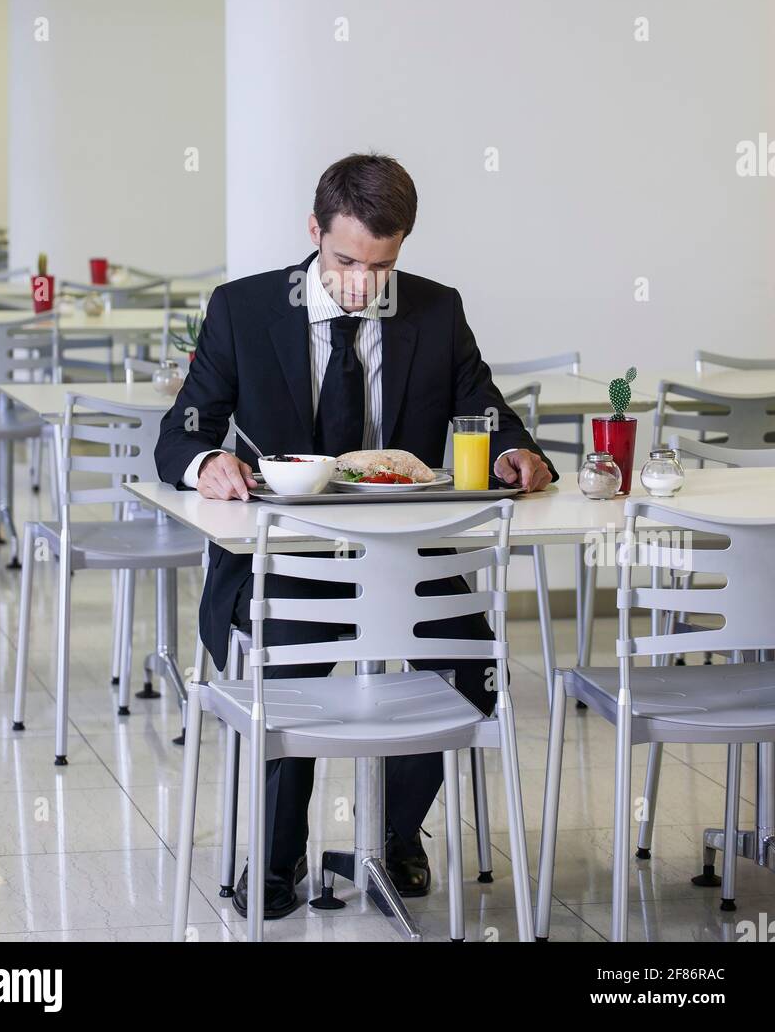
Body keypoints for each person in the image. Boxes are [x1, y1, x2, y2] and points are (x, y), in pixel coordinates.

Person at [155, 153, 556, 919]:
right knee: (292, 674)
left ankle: (394, 833)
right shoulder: (242, 309)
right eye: (345, 261)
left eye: (384, 264)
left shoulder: (436, 311)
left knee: (473, 668)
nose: (363, 284)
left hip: (405, 557)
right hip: (286, 559)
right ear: (314, 231)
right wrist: (208, 462)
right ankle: (275, 855)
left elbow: (487, 408)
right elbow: (183, 430)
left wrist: (513, 448)